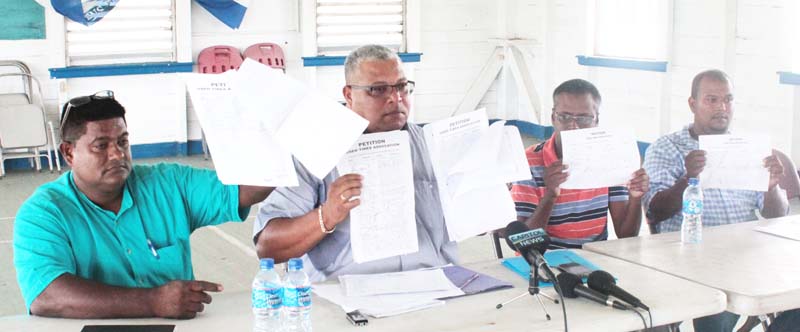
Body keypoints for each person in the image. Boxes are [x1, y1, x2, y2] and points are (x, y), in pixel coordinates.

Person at [13, 91, 274, 319]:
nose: (117, 154)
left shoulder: (168, 184)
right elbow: (47, 296)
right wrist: (153, 301)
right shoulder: (44, 212)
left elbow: (245, 189)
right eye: (101, 146)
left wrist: (286, 149)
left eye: (122, 142)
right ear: (69, 153)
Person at [253, 44, 457, 281]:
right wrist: (326, 216)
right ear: (349, 95)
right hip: (347, 294)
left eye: (402, 86)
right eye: (378, 89)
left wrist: (487, 200)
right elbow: (268, 247)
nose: (395, 98)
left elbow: (475, 223)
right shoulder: (313, 150)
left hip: (436, 283)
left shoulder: (434, 144)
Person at [642, 69, 789, 332]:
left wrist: (771, 187)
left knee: (793, 298)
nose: (722, 107)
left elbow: (776, 215)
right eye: (711, 99)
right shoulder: (667, 147)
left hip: (744, 256)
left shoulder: (747, 148)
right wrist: (688, 178)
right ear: (692, 104)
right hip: (689, 259)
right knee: (718, 312)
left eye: (728, 99)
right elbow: (655, 212)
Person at [510, 79, 649, 249]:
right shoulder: (530, 161)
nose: (573, 126)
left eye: (584, 118)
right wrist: (550, 195)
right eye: (565, 117)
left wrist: (636, 198)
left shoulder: (610, 158)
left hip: (596, 257)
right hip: (545, 259)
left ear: (596, 120)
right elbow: (524, 242)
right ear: (553, 117)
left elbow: (625, 234)